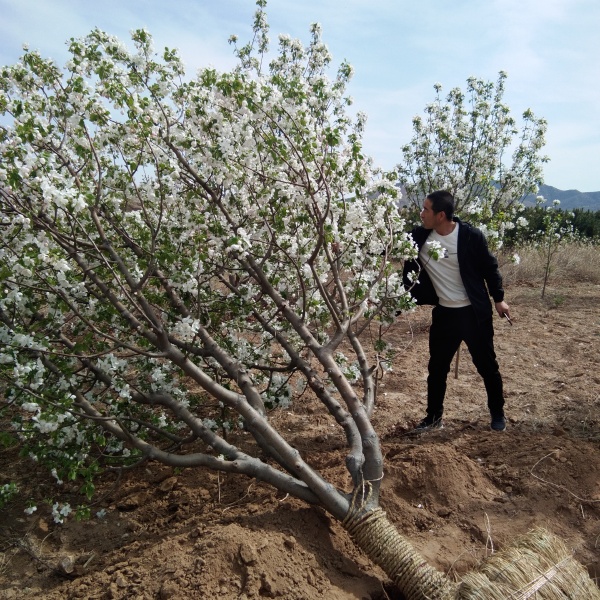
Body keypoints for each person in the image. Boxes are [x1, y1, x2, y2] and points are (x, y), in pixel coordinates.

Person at [402, 190, 510, 431]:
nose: (421, 214)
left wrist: (499, 299)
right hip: (445, 315)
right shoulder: (420, 237)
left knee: (487, 366)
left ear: (441, 215)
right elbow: (388, 245)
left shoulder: (470, 236)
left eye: (425, 210)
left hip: (473, 313)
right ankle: (433, 418)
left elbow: (490, 268)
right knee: (437, 369)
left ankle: (497, 413)